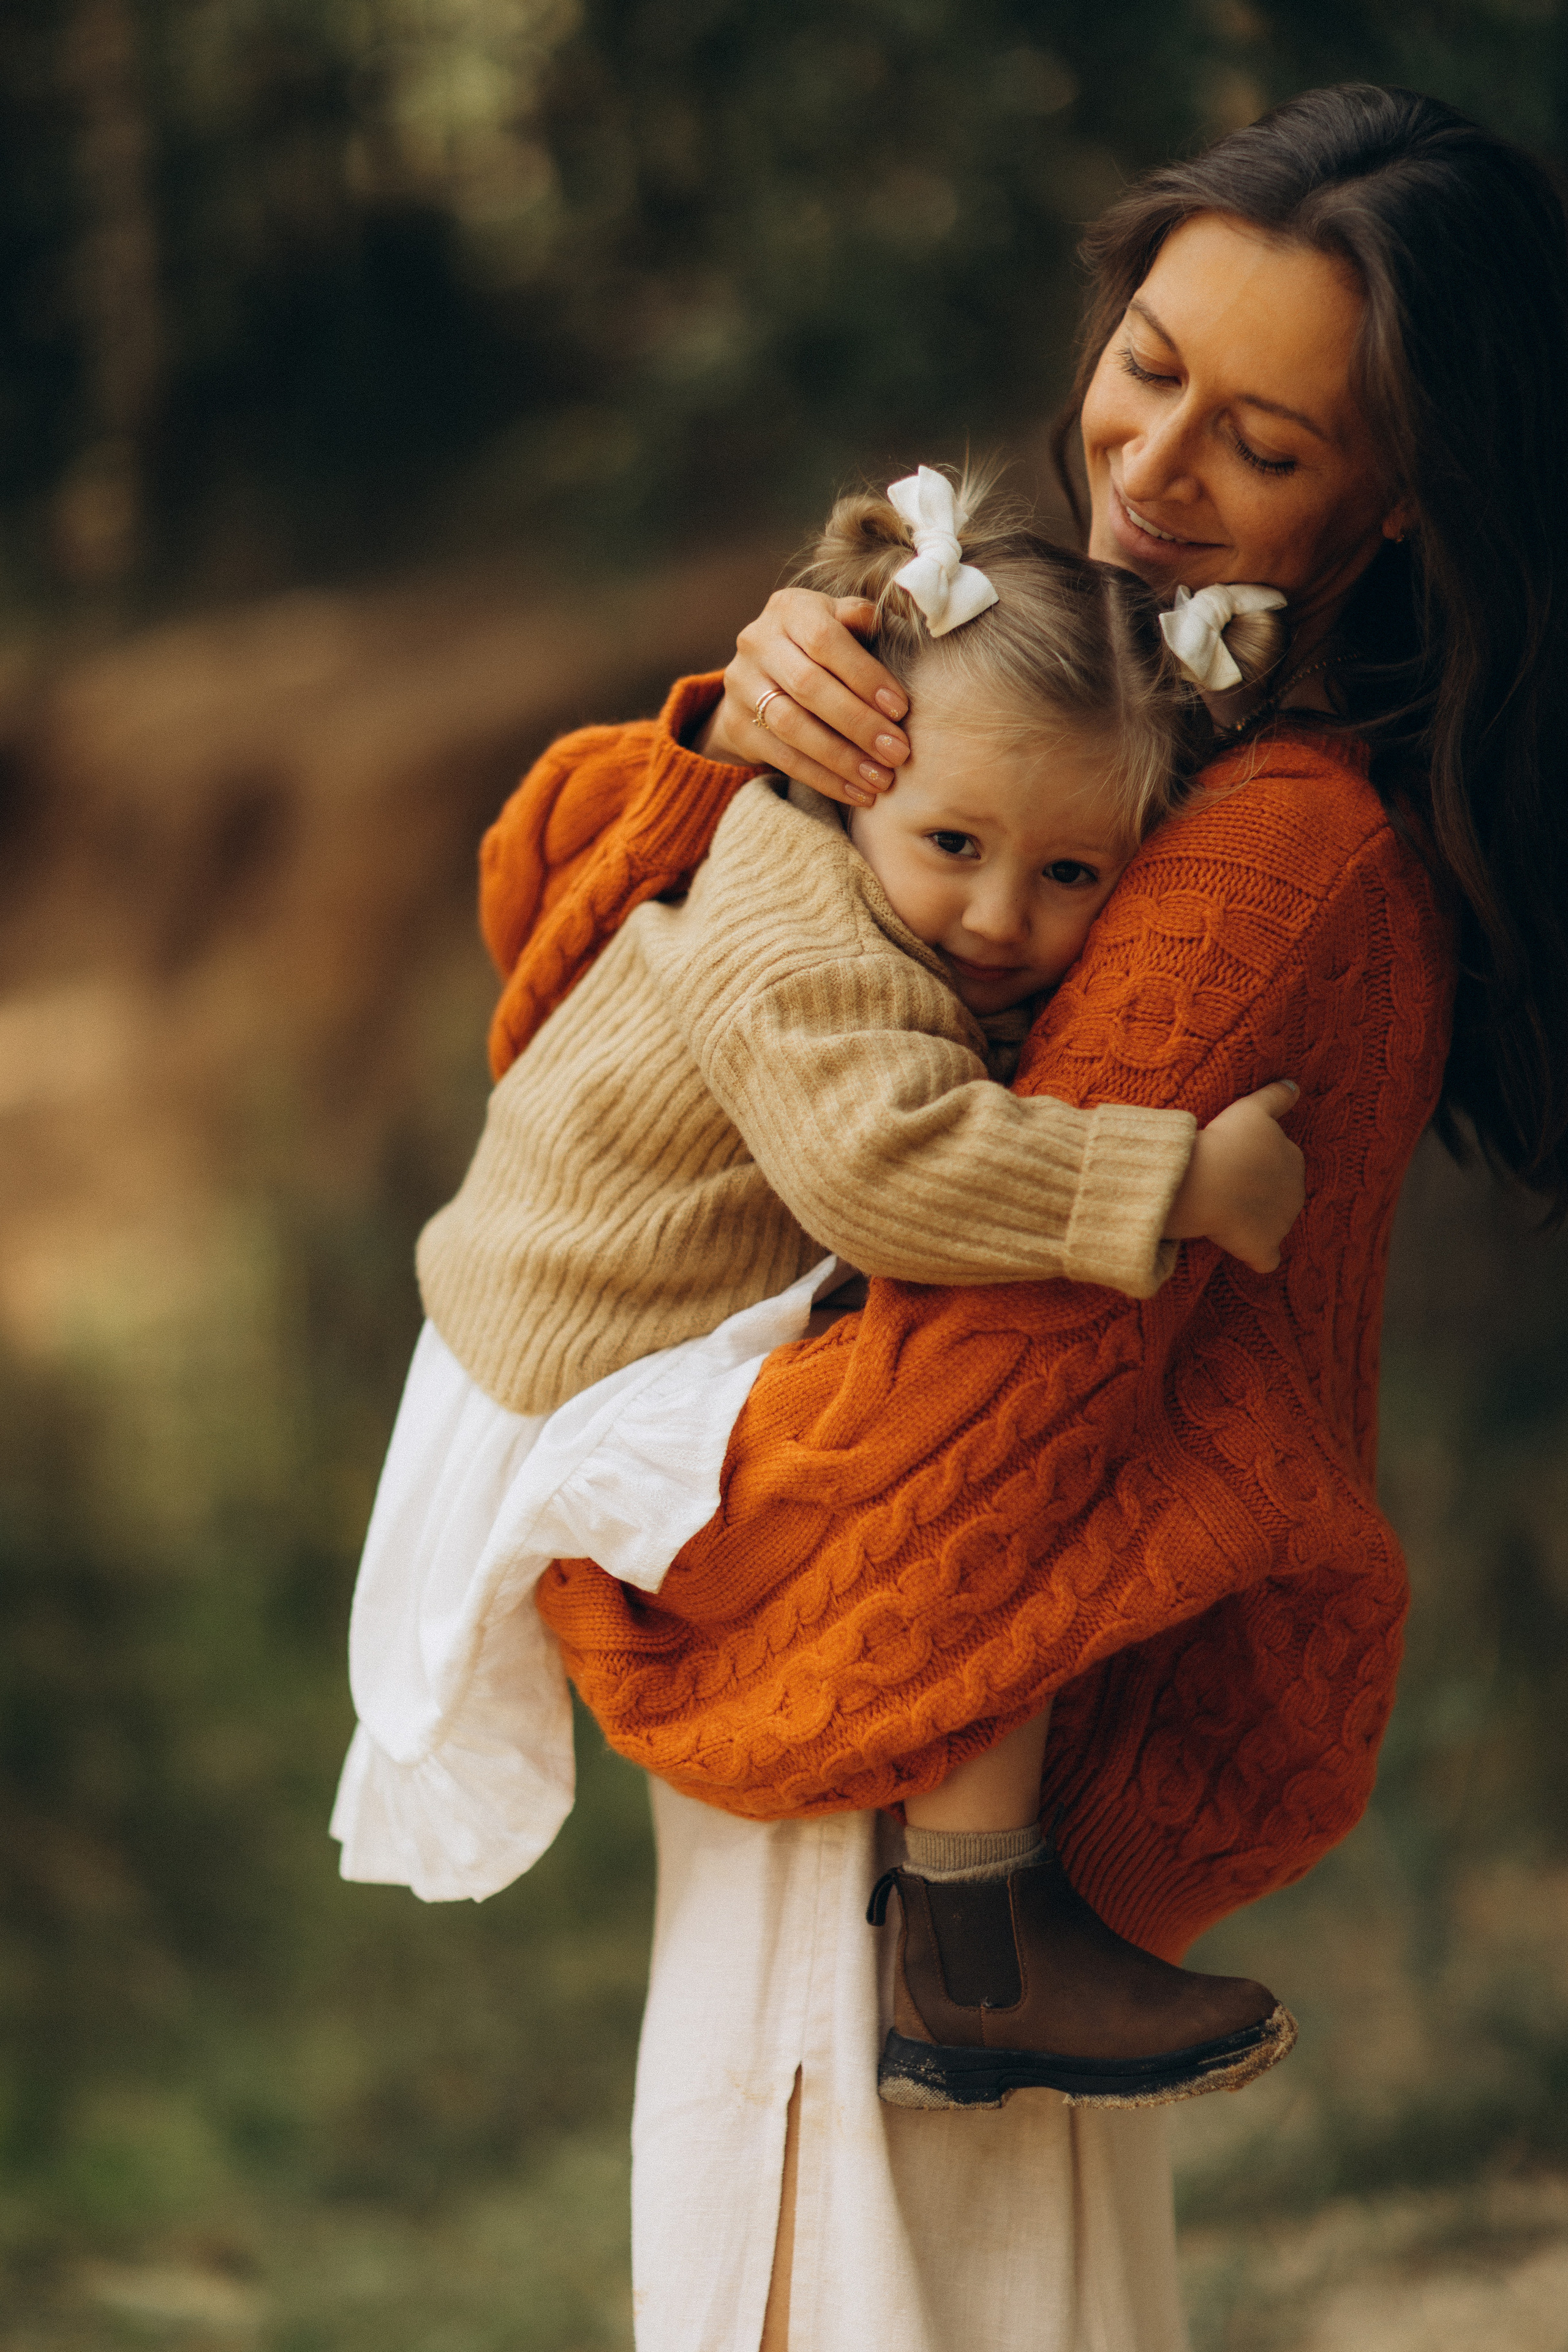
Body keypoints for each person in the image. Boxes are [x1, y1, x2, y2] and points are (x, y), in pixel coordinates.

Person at [417, 82, 1568, 2352]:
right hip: (916, 1708)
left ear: (1400, 501)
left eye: (1265, 443)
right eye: (1149, 364)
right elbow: (564, 972)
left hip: (911, 1713)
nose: (1153, 467)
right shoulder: (1059, 696)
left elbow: (993, 1375)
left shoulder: (1276, 849)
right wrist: (746, 746)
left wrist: (640, 1543)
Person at [333, 469, 1306, 2106]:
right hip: (579, 1350)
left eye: (1075, 876)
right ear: (856, 773)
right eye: (955, 845)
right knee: (1001, 1422)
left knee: (1013, 1396)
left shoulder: (892, 893)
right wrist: (1176, 1183)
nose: (999, 915)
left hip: (643, 1306)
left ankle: (985, 1916)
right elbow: (882, 1166)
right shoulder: (794, 917)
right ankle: (976, 1935)